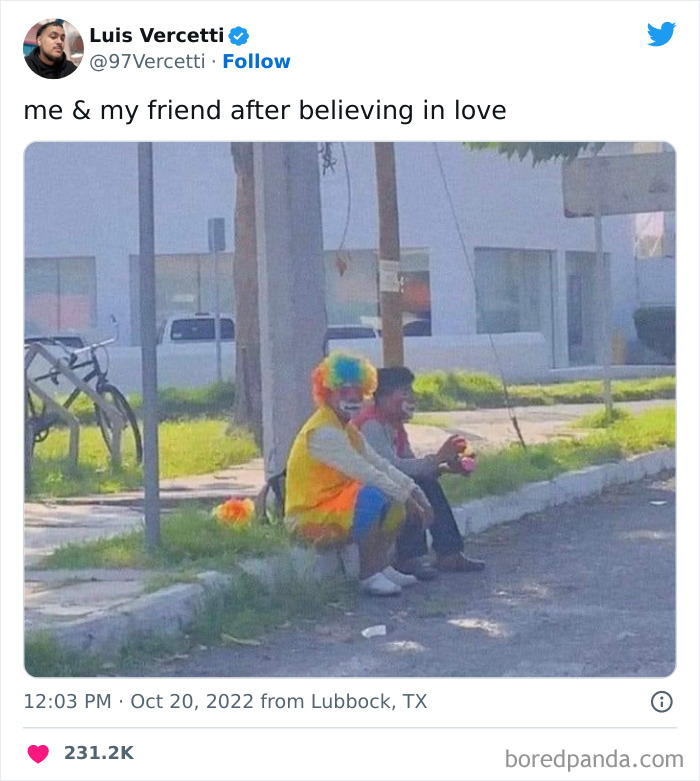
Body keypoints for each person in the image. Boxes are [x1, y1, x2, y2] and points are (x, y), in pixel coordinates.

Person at [285, 353, 434, 596]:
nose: (353, 397)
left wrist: (415, 492)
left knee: (394, 503)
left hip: (336, 505)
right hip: (309, 516)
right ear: (327, 393)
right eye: (344, 391)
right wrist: (406, 497)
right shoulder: (323, 432)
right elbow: (366, 473)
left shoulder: (348, 430)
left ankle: (381, 566)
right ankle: (368, 575)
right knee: (373, 495)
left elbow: (381, 465)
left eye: (358, 390)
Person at [353, 366, 485, 579]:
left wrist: (445, 467)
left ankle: (449, 552)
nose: (411, 397)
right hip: (366, 487)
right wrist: (436, 459)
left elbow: (411, 463)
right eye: (405, 392)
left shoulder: (394, 425)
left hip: (386, 479)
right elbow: (392, 467)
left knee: (425, 482)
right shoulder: (371, 425)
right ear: (384, 397)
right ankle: (410, 557)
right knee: (410, 488)